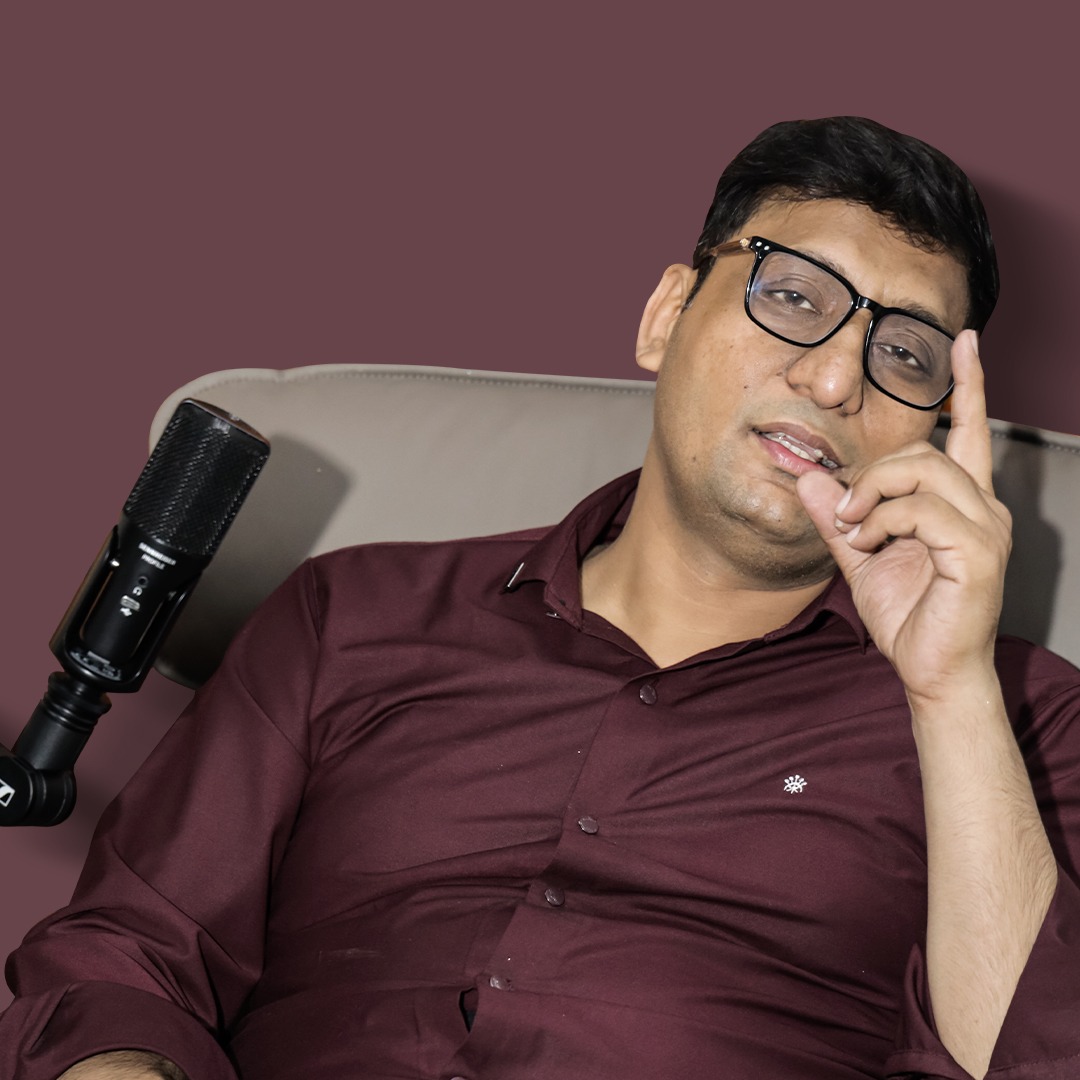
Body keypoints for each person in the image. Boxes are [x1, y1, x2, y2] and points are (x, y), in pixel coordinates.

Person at [4, 116, 1080, 1080]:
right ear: (666, 315)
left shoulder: (1025, 725)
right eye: (793, 296)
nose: (837, 380)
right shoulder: (353, 613)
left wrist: (951, 693)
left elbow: (1031, 1062)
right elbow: (124, 954)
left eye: (905, 355)